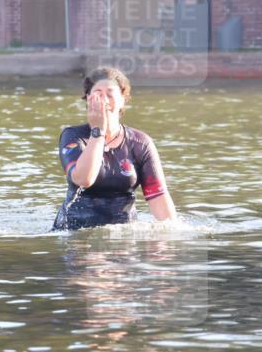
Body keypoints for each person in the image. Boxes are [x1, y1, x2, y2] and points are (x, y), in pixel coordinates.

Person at [52, 67, 177, 231]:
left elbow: (159, 197)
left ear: (122, 100)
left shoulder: (140, 143)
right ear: (89, 99)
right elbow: (83, 179)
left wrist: (170, 240)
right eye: (98, 94)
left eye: (110, 94)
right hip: (75, 233)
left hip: (123, 237)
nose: (103, 100)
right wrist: (98, 132)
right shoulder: (73, 136)